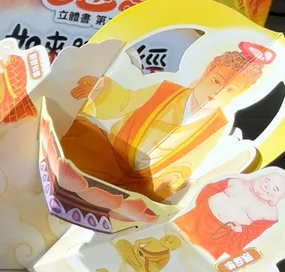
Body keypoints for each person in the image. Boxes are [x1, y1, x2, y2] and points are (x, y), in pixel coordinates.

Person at [61, 44, 271, 201]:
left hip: (148, 179)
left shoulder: (217, 125)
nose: (217, 92)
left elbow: (191, 162)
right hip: (114, 152)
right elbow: (124, 101)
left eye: (230, 90)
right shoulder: (166, 90)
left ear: (238, 95)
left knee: (147, 198)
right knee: (79, 129)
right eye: (216, 81)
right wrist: (101, 89)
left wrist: (175, 176)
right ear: (206, 72)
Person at [175, 171, 285, 259]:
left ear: (278, 198)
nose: (266, 186)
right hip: (198, 217)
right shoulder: (238, 182)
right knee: (173, 233)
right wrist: (207, 202)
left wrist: (240, 230)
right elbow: (212, 188)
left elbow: (253, 232)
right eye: (266, 180)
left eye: (275, 188)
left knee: (195, 256)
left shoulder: (269, 214)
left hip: (219, 234)